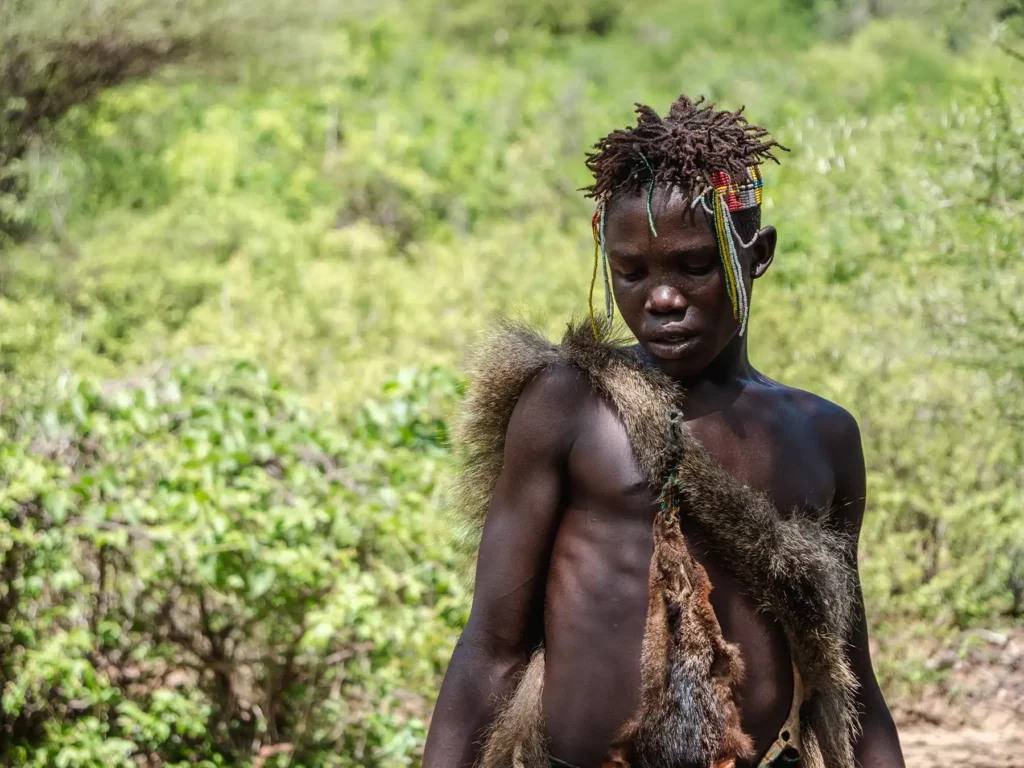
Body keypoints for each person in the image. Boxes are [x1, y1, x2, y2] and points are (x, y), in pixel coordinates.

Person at [422, 95, 905, 768]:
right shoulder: (569, 406)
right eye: (632, 272)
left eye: (694, 267)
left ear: (756, 254)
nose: (663, 298)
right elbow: (491, 646)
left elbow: (846, 673)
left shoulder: (820, 436)